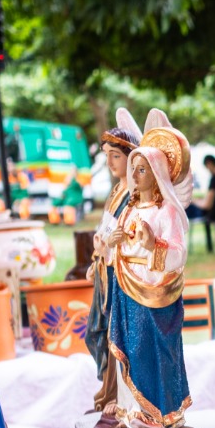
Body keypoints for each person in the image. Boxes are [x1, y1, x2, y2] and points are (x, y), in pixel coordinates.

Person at [100, 144, 192, 428]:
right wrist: (113, 242)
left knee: (152, 348)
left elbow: (179, 253)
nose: (136, 176)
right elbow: (120, 246)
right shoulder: (129, 208)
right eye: (134, 169)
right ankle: (133, 408)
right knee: (130, 346)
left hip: (155, 292)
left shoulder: (167, 212)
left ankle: (160, 412)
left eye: (142, 170)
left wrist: (154, 245)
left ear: (156, 174)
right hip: (127, 286)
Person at [86, 114, 139, 412]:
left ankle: (117, 396)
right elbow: (106, 228)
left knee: (112, 333)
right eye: (107, 156)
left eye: (115, 156)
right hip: (105, 270)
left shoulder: (135, 193)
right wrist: (99, 250)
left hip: (121, 275)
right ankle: (108, 393)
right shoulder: (116, 190)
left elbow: (133, 235)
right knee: (95, 332)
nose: (110, 162)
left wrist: (110, 245)